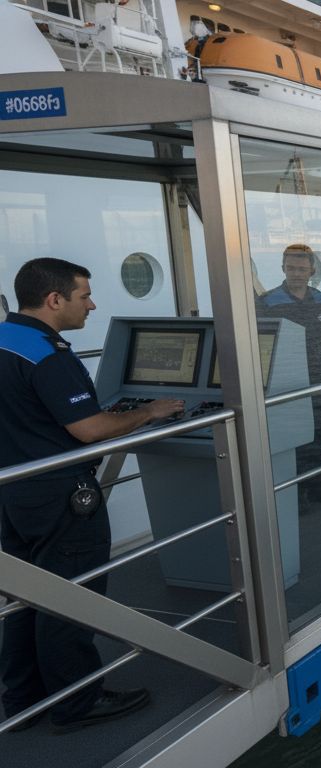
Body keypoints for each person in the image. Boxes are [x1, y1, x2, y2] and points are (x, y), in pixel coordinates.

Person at [1, 258, 183, 732]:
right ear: (54, 299)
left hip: (13, 492)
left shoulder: (4, 339)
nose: (92, 305)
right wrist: (149, 413)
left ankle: (23, 700)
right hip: (58, 495)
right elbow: (90, 428)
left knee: (24, 598)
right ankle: (76, 703)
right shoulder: (48, 355)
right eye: (84, 296)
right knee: (71, 597)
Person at [256, 244, 321, 508]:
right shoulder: (267, 302)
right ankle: (296, 492)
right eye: (291, 268)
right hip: (288, 379)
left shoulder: (319, 298)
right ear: (283, 269)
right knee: (296, 435)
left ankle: (317, 485)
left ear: (312, 270)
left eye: (301, 269)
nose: (296, 273)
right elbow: (259, 342)